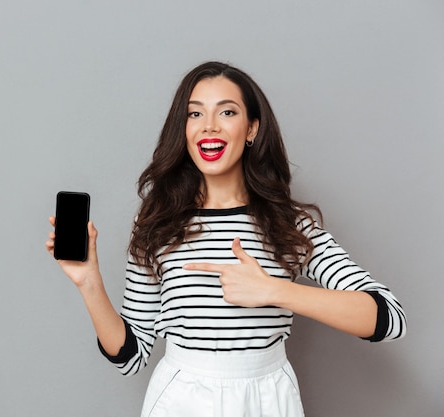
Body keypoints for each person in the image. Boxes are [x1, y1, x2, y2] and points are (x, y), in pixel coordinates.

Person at [45, 61, 407, 417]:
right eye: (195, 114)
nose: (209, 127)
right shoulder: (157, 221)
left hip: (269, 398)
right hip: (181, 398)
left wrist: (276, 291)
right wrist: (89, 282)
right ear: (182, 129)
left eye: (227, 112)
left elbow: (390, 318)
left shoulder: (289, 224)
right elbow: (131, 356)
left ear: (251, 129)